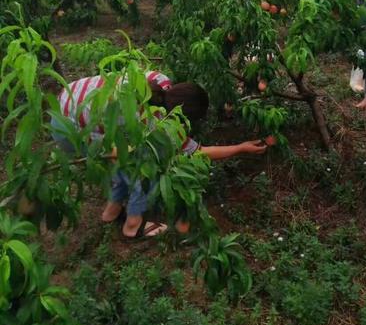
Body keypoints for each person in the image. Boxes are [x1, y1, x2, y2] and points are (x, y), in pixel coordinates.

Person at [52, 70, 267, 239]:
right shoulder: (159, 125)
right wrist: (240, 147)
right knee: (145, 163)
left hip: (67, 97)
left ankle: (112, 210)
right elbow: (198, 152)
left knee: (122, 151)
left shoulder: (159, 80)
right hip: (70, 129)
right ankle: (132, 225)